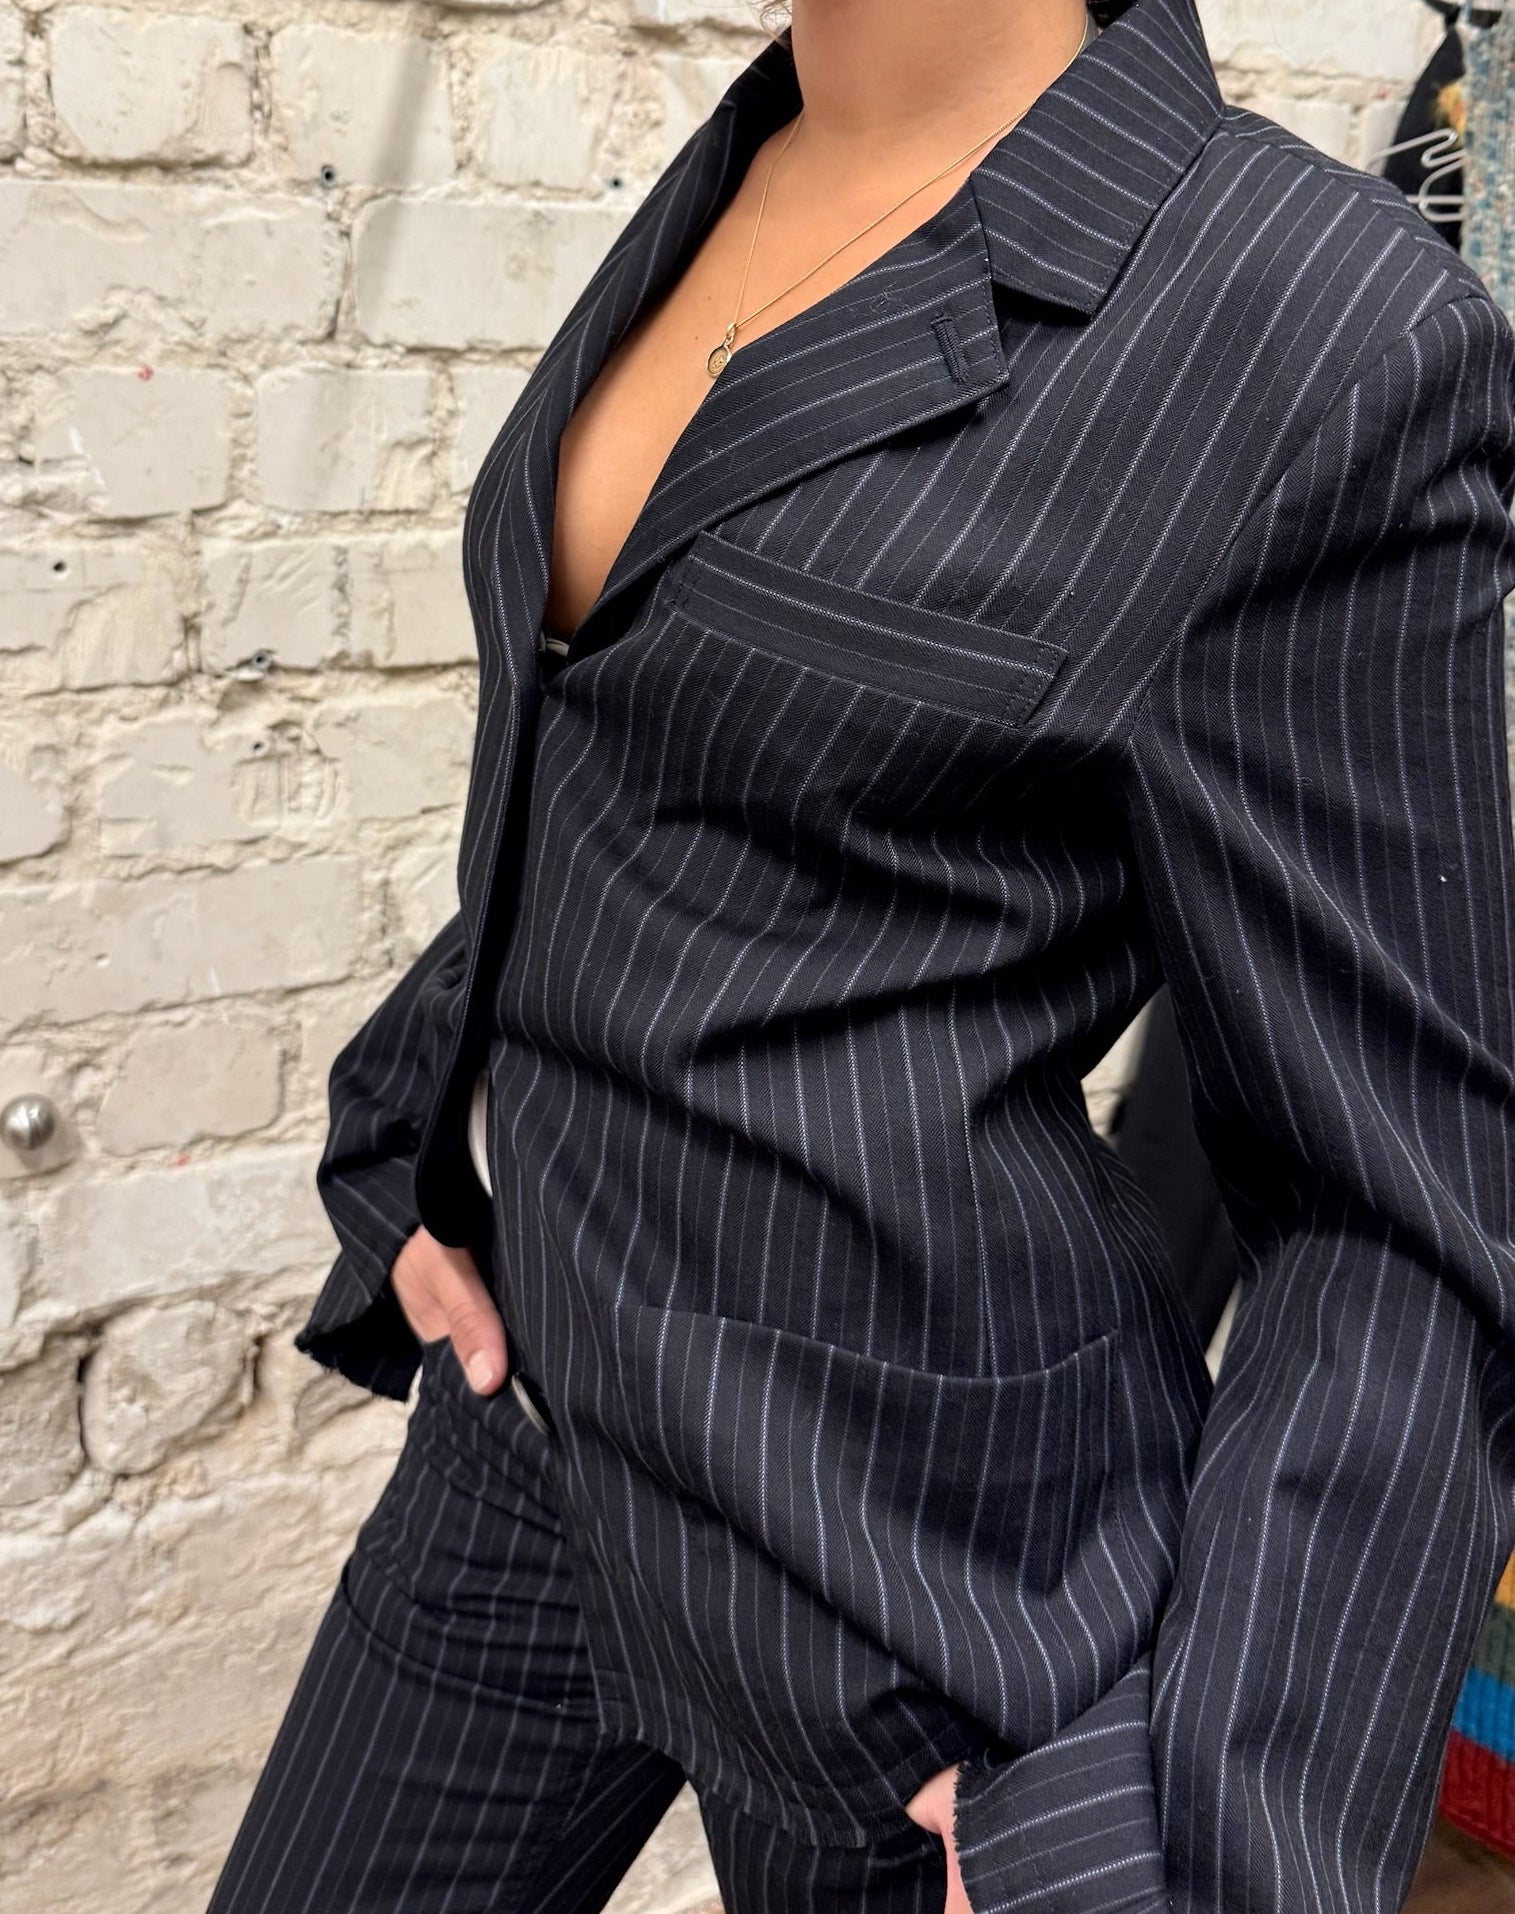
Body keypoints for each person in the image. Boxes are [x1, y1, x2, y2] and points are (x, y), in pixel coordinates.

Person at [207, 0, 1515, 1909]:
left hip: (927, 1583)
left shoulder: (1311, 325)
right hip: (534, 1428)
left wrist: (1183, 1830)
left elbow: (1407, 1202)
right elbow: (651, 762)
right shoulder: (756, 160)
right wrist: (419, 1134)